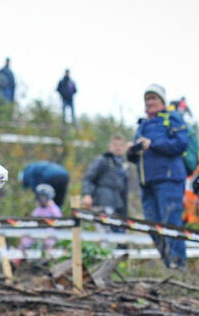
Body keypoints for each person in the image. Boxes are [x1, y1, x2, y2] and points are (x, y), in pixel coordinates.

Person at [129, 83, 190, 269]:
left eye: (154, 98)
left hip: (169, 180)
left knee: (171, 223)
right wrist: (131, 150)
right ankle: (168, 264)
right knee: (152, 226)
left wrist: (153, 144)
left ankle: (179, 264)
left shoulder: (172, 118)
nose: (150, 102)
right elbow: (135, 157)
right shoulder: (142, 125)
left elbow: (182, 143)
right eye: (147, 99)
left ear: (162, 101)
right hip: (146, 182)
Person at [81, 135, 130, 225]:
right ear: (110, 146)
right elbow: (88, 178)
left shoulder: (124, 166)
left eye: (121, 145)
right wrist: (87, 194)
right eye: (115, 145)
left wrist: (125, 216)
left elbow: (124, 193)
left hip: (118, 207)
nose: (118, 148)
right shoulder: (102, 160)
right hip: (102, 204)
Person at [19, 184, 65, 261]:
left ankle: (49, 257)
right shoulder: (38, 209)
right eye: (41, 197)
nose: (42, 199)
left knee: (49, 237)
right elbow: (32, 222)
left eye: (44, 197)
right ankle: (19, 258)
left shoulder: (54, 209)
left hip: (49, 237)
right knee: (25, 238)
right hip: (36, 236)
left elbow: (59, 224)